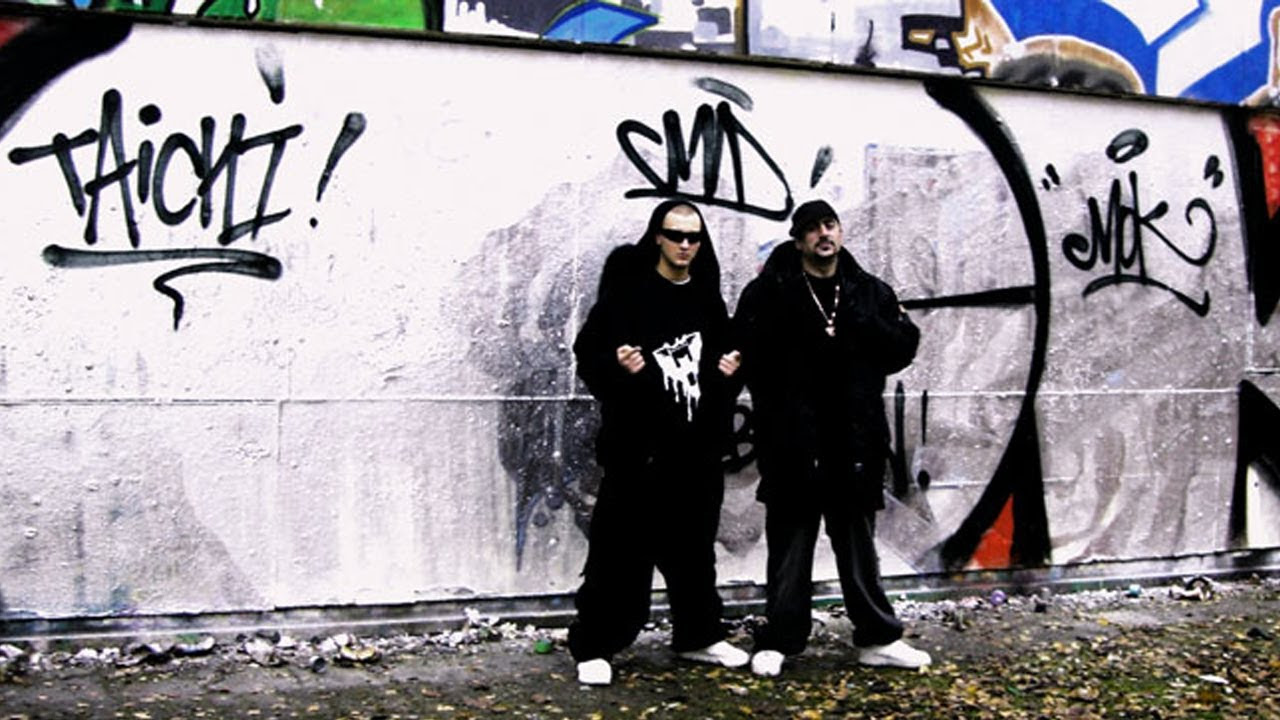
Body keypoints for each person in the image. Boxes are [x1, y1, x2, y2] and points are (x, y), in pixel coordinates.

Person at [733, 199, 931, 677]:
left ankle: (878, 638)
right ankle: (781, 640)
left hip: (853, 442)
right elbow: (746, 354)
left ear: (840, 232)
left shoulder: (868, 291)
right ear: (798, 239)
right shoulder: (768, 293)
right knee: (790, 549)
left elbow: (902, 348)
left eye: (830, 225)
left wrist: (866, 321)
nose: (824, 234)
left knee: (858, 548)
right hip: (792, 444)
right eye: (812, 228)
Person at [568, 200, 750, 686]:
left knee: (694, 552)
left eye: (694, 237)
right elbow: (588, 356)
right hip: (639, 454)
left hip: (695, 452)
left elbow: (726, 364)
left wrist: (730, 373)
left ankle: (698, 636)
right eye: (676, 235)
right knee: (618, 553)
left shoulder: (707, 299)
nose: (685, 245)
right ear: (658, 237)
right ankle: (594, 645)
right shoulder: (628, 296)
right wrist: (617, 369)